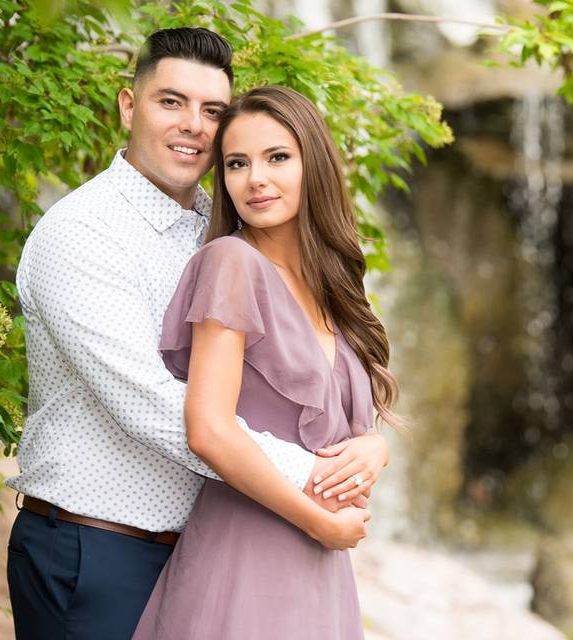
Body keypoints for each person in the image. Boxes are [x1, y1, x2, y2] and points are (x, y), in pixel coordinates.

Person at [6, 28, 389, 639]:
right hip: (98, 548)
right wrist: (319, 482)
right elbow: (156, 406)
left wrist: (370, 448)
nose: (194, 125)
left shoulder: (220, 237)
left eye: (212, 111)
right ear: (128, 105)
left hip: (211, 544)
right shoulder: (81, 234)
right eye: (171, 101)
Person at [131, 85, 402, 639]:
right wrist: (320, 524)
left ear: (315, 164)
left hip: (323, 567)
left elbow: (346, 434)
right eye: (237, 163)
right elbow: (207, 430)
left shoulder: (336, 287)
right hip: (246, 554)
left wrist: (375, 447)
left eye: (277, 157)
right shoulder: (231, 263)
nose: (255, 178)